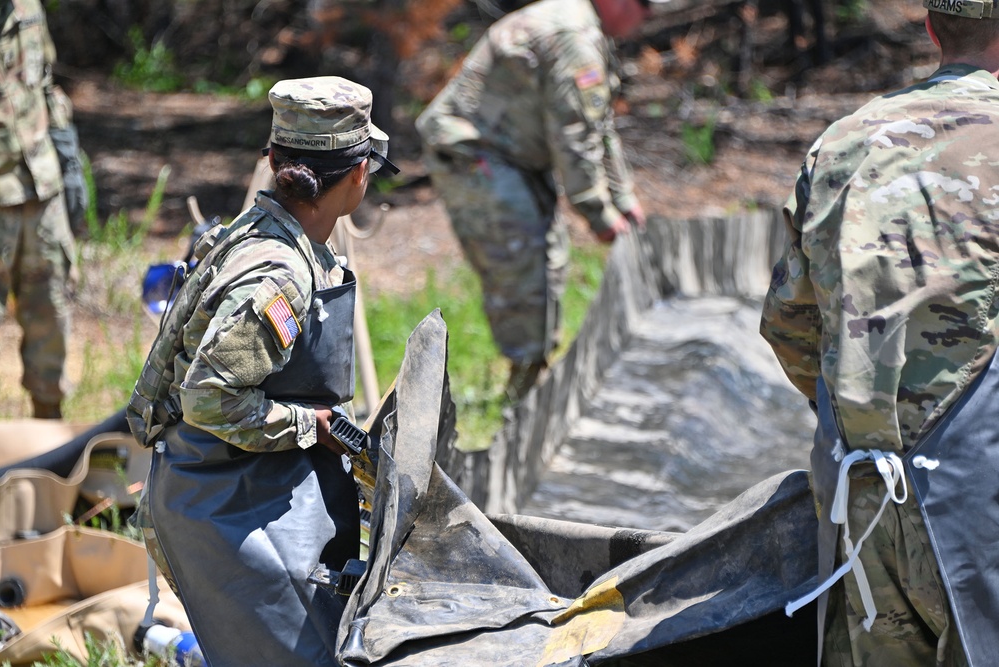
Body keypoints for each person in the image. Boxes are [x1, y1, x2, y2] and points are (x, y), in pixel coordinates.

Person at [126, 76, 398, 667]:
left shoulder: (270, 236)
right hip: (223, 503)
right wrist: (309, 425)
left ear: (275, 161)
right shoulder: (277, 277)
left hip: (245, 486)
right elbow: (208, 400)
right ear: (357, 175)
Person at [760, 2, 999, 664]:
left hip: (861, 499)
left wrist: (866, 420)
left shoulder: (842, 141)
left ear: (931, 31)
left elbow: (789, 325)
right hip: (982, 510)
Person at [415, 0, 651, 400]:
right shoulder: (574, 36)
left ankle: (532, 383)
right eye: (644, 7)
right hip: (477, 155)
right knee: (521, 269)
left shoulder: (583, 26)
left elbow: (598, 123)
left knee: (548, 260)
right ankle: (521, 398)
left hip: (515, 158)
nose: (647, 18)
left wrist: (622, 197)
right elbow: (575, 136)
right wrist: (598, 213)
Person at [0, 0, 88, 419]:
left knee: (50, 321)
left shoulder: (26, 5)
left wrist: (68, 161)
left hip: (40, 189)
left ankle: (49, 449)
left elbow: (45, 84)